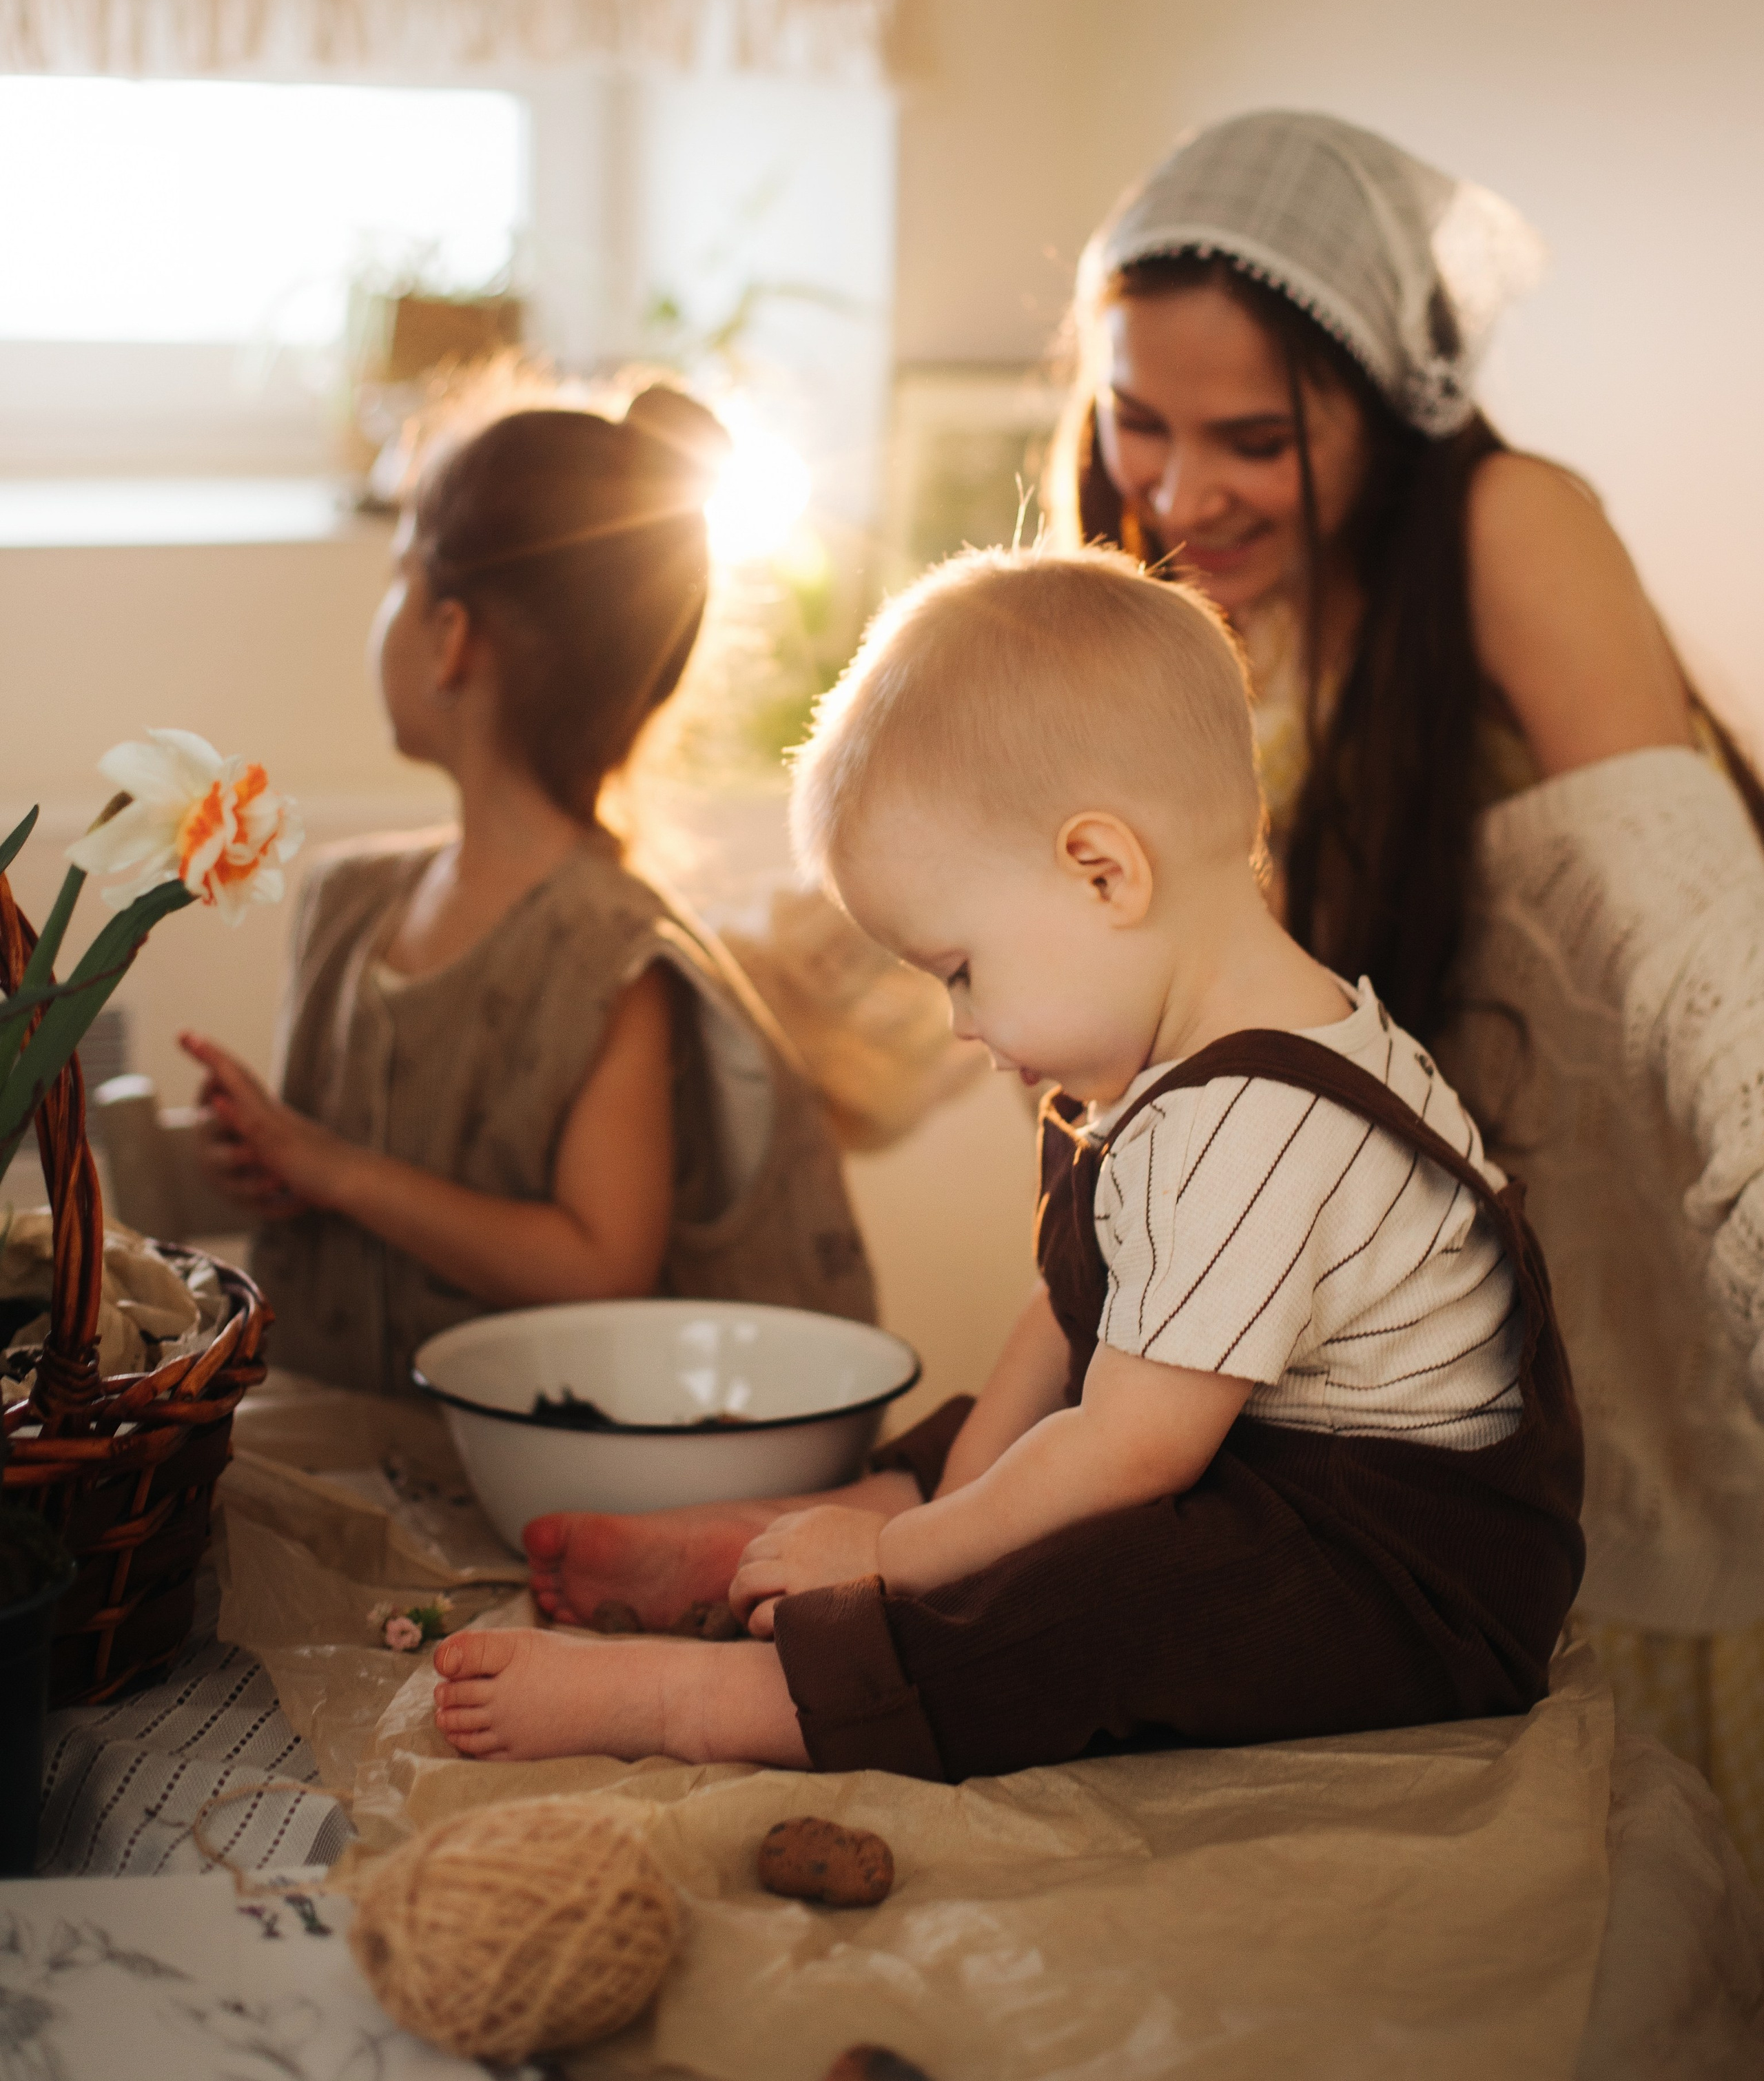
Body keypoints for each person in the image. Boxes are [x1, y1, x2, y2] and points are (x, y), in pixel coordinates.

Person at [431, 549, 1583, 1777]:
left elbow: (1133, 1452)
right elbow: (1065, 1317)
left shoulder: (1255, 1125)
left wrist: (903, 1565)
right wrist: (945, 1513)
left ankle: (704, 1697)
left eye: (962, 971)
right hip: (1250, 1465)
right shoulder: (1178, 1065)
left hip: (1395, 1576)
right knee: (1007, 1442)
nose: (962, 1026)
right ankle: (809, 1532)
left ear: (1103, 872)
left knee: (1087, 1604)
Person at [1046, 110, 1764, 1876]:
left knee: (1657, 1894)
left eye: (1253, 438)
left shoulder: (1509, 525)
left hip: (1627, 1315)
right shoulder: (1207, 603)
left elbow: (1700, 943)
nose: (1177, 492)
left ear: (1387, 406)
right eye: (1137, 420)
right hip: (1408, 1375)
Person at [184, 371, 874, 1399]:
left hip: (492, 1471)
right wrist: (272, 1161)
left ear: (451, 637)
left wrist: (336, 1170)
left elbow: (599, 1262)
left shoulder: (613, 959)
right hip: (317, 1427)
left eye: (400, 572)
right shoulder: (346, 905)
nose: (385, 609)